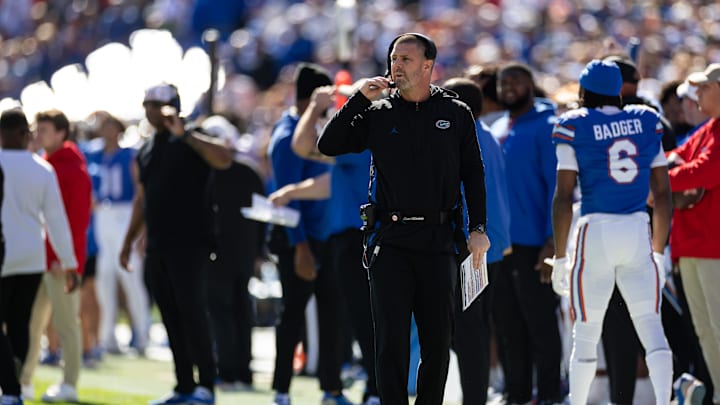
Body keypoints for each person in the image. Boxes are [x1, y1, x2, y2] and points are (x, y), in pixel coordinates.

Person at [318, 33, 490, 405]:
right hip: (391, 239)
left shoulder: (455, 112)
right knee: (390, 343)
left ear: (429, 66)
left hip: (439, 239)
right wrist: (358, 98)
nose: (397, 66)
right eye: (394, 58)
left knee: (438, 343)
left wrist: (478, 228)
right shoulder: (378, 112)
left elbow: (473, 173)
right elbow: (328, 144)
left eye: (406, 59)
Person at [550, 59, 673, 405]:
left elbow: (563, 198)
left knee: (586, 335)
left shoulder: (574, 125)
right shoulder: (646, 121)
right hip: (638, 229)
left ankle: (577, 402)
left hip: (596, 231)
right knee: (652, 327)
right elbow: (663, 195)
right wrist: (659, 251)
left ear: (584, 91)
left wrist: (560, 258)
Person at [119, 83, 233, 405]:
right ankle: (184, 384)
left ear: (173, 105)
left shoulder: (194, 135)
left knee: (193, 312)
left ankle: (206, 385)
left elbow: (224, 158)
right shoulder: (147, 147)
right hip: (157, 244)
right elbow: (142, 198)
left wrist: (185, 135)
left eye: (156, 103)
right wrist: (128, 241)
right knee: (169, 313)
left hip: (191, 242)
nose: (150, 110)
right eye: (146, 104)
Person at [281, 80, 380, 405]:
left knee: (363, 319)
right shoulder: (370, 141)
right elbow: (331, 184)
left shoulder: (356, 140)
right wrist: (294, 192)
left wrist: (313, 108)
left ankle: (376, 390)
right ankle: (372, 388)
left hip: (354, 239)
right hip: (366, 236)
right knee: (364, 317)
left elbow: (302, 146)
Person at [267, 63, 353, 405]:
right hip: (299, 239)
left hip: (325, 236)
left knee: (332, 314)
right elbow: (285, 197)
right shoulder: (288, 136)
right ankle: (282, 390)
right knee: (292, 314)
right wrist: (299, 245)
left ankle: (331, 389)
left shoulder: (313, 130)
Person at [598, 54, 678, 404]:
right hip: (645, 235)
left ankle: (629, 396)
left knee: (635, 322)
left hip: (627, 233)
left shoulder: (599, 121)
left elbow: (666, 188)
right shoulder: (651, 119)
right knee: (643, 321)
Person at [489, 62, 562, 405]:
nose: (509, 87)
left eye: (516, 81)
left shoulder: (548, 126)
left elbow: (557, 188)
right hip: (500, 246)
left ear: (531, 85)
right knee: (507, 326)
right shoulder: (499, 126)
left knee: (541, 326)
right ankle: (516, 394)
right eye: (504, 82)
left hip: (535, 244)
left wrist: (552, 241)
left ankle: (548, 395)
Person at [0, 109, 78, 405]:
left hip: (4, 256)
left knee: (9, 325)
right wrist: (69, 262)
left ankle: (10, 387)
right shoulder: (42, 169)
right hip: (32, 256)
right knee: (20, 324)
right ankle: (16, 385)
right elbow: (57, 222)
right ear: (26, 134)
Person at [442, 77, 511, 405]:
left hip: (472, 246)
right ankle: (475, 396)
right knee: (475, 326)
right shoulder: (490, 137)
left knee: (469, 329)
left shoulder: (461, 137)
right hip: (492, 244)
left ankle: (473, 399)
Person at [20, 109, 92, 403]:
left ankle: (70, 384)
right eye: (38, 129)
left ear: (62, 133)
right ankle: (24, 380)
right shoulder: (45, 165)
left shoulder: (72, 169)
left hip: (61, 261)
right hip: (39, 258)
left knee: (65, 324)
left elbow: (76, 220)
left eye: (45, 130)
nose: (38, 135)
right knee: (31, 323)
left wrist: (67, 260)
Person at [667, 63, 720, 405]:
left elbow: (703, 171)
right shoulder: (706, 129)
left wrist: (660, 180)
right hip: (691, 244)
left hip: (714, 246)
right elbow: (674, 157)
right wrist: (669, 171)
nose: (696, 95)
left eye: (704, 88)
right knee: (705, 331)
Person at [200, 115, 265, 392]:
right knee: (240, 312)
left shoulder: (208, 173)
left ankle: (229, 372)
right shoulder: (248, 171)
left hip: (222, 255)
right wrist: (259, 251)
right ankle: (241, 372)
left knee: (225, 313)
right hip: (244, 254)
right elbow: (262, 216)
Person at [85, 113, 150, 356]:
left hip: (124, 213)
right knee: (105, 276)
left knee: (131, 276)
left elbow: (138, 190)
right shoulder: (93, 154)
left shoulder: (129, 155)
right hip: (103, 214)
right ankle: (106, 336)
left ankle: (142, 333)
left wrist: (140, 228)